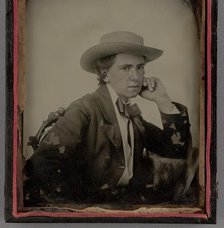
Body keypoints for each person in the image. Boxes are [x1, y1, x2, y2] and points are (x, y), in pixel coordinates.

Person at [24, 31, 192, 206]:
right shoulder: (85, 109)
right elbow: (41, 165)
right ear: (105, 74)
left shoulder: (134, 116)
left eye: (140, 67)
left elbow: (175, 151)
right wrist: (80, 208)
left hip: (129, 203)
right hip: (93, 210)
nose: (136, 76)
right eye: (125, 67)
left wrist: (162, 100)